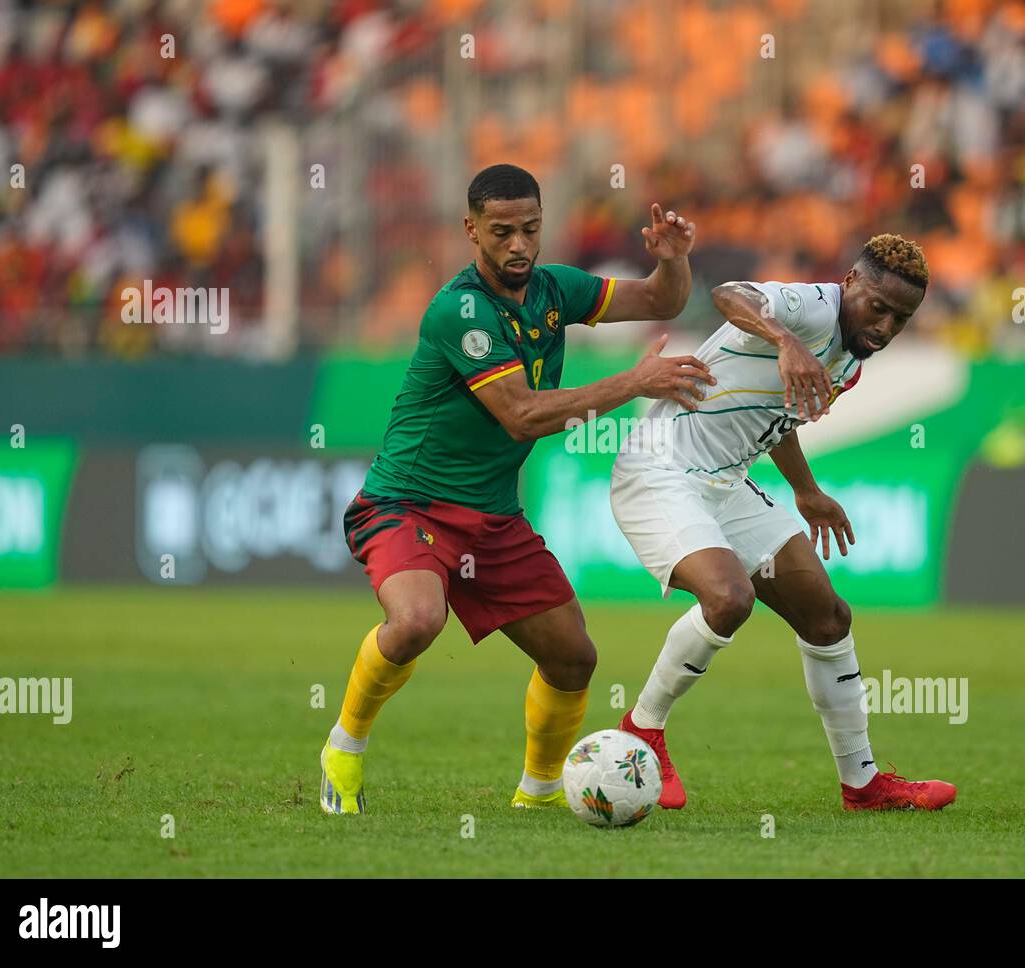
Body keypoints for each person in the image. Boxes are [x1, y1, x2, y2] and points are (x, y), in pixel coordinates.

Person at [319, 163, 713, 814]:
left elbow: (661, 301)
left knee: (573, 659)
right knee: (418, 619)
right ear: (471, 230)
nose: (519, 245)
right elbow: (521, 413)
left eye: (530, 229)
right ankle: (344, 749)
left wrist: (673, 261)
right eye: (502, 232)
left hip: (492, 518)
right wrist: (633, 383)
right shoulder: (460, 311)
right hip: (406, 502)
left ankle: (537, 794)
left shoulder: (557, 290)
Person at [611, 234, 957, 811]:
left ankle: (863, 785)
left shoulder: (851, 360)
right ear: (850, 282)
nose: (887, 327)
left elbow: (778, 417)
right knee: (729, 598)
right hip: (661, 467)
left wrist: (806, 490)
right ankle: (642, 726)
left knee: (827, 617)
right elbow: (727, 293)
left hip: (725, 482)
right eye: (878, 307)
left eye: (902, 318)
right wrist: (785, 340)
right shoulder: (812, 308)